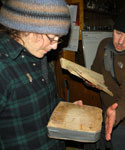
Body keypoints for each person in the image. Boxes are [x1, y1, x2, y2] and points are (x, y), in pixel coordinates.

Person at [0, 0, 82, 150]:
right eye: (52, 37)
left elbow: (44, 102)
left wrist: (65, 109)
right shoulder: (3, 68)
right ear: (27, 28)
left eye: (59, 38)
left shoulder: (40, 57)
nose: (55, 46)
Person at [84, 6, 125, 150]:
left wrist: (115, 115)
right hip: (103, 110)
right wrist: (90, 80)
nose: (120, 42)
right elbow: (95, 71)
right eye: (118, 33)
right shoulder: (103, 45)